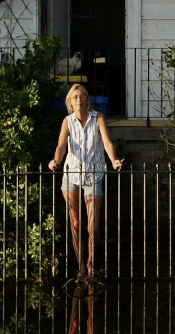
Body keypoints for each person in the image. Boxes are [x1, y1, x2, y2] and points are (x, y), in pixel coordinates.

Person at [49, 84, 123, 278]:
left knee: (93, 227)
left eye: (82, 96)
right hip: (71, 174)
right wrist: (55, 160)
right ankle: (80, 264)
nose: (79, 100)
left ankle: (91, 262)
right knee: (75, 223)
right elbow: (61, 146)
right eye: (75, 97)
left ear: (87, 100)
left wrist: (114, 159)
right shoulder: (67, 121)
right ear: (70, 102)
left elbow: (107, 142)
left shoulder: (97, 117)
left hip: (93, 173)